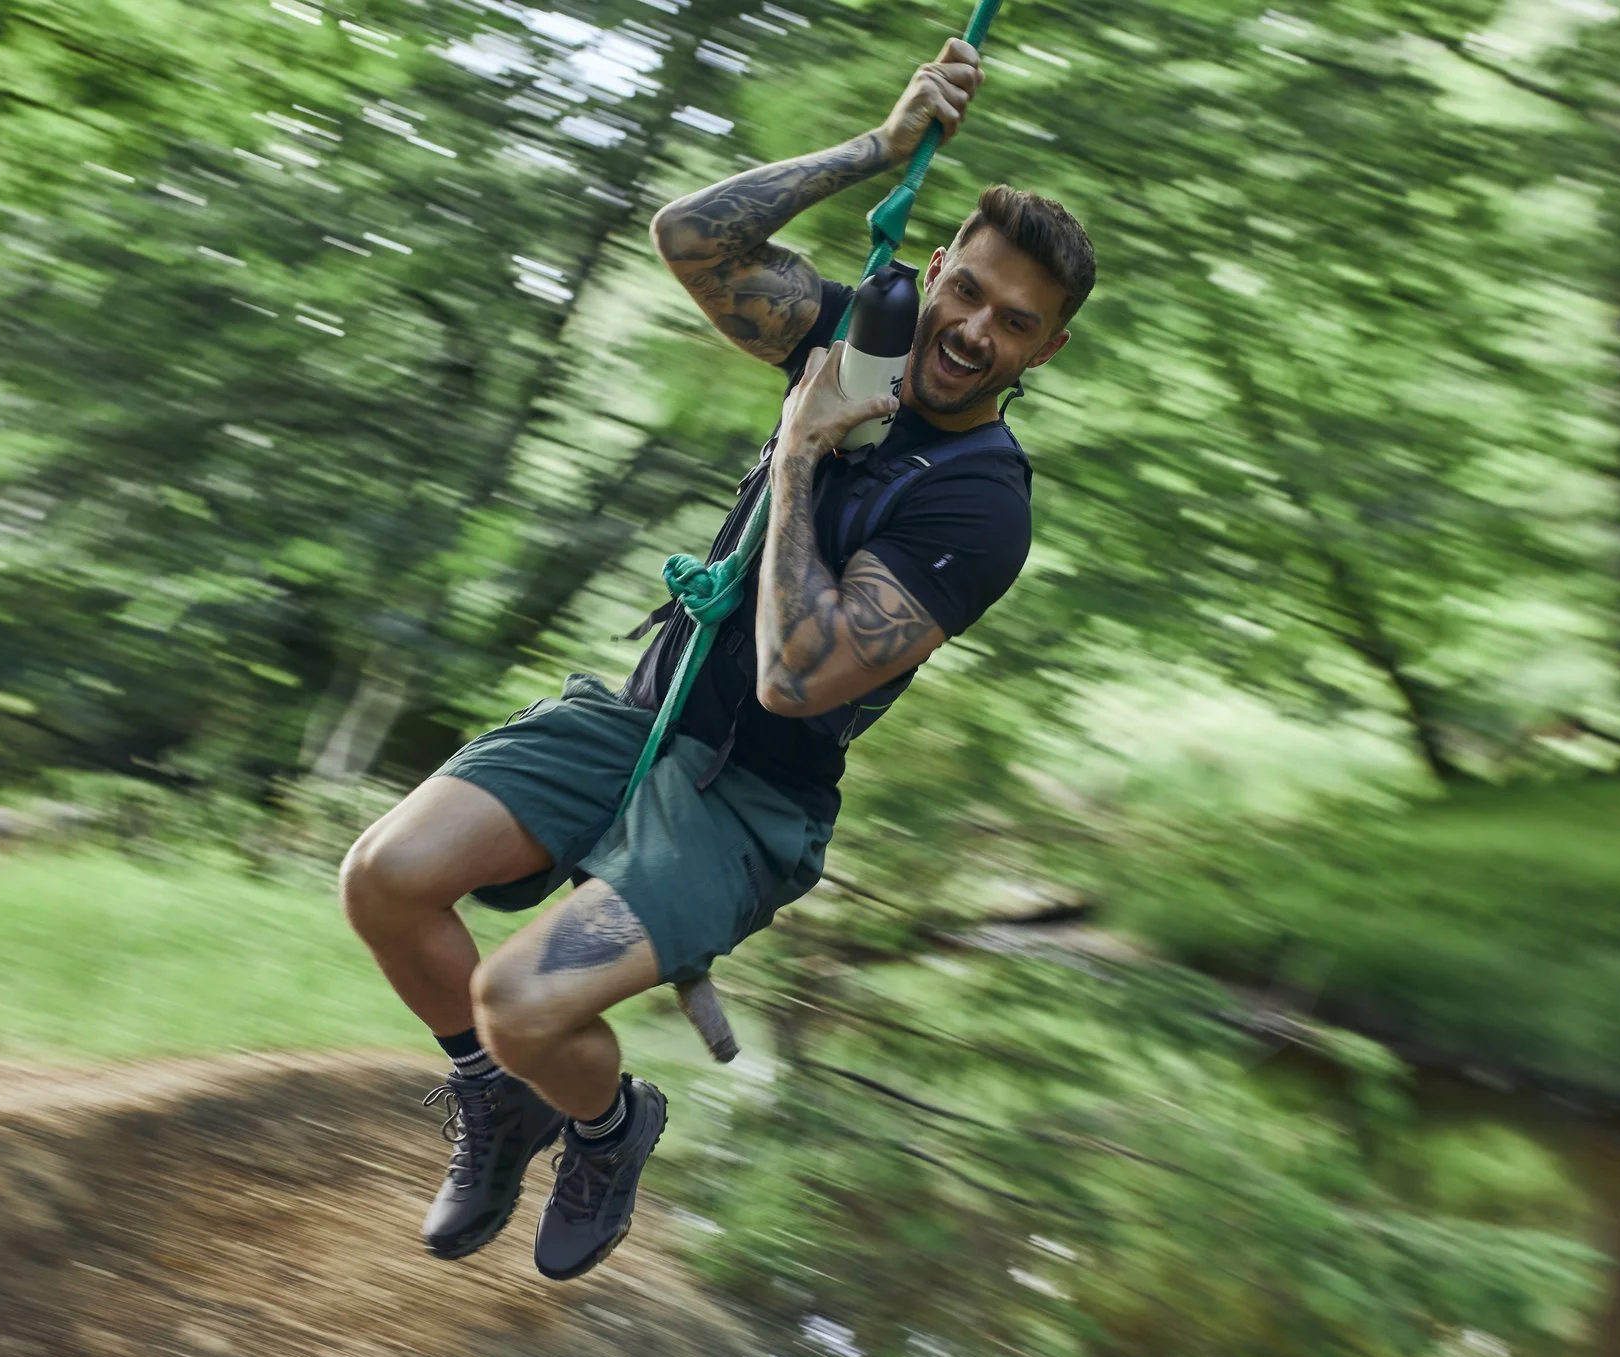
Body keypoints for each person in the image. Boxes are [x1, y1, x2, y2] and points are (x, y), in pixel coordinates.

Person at [340, 36, 1094, 1281]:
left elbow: (798, 675)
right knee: (384, 878)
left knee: (524, 999)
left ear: (1044, 352)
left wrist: (801, 452)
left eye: (1013, 324)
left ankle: (605, 1122)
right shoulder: (859, 333)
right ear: (939, 264)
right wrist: (881, 146)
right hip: (642, 718)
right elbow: (690, 235)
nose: (969, 331)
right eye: (965, 289)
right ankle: (503, 1099)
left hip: (746, 800)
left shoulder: (981, 505)